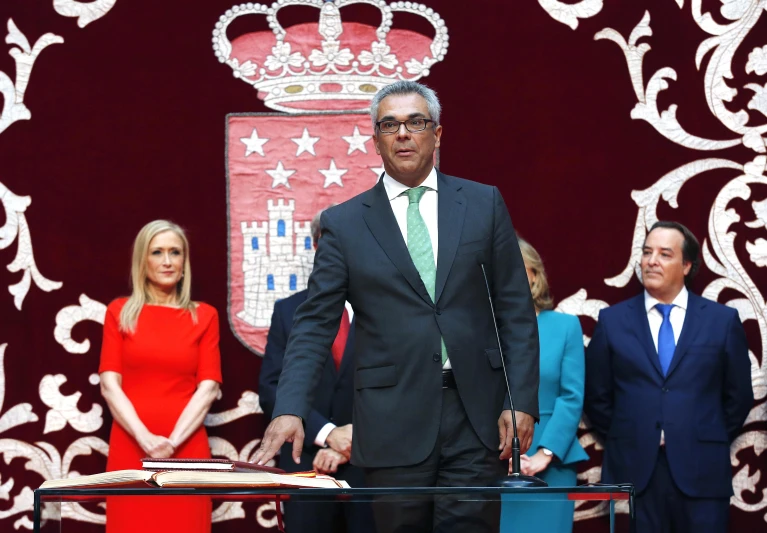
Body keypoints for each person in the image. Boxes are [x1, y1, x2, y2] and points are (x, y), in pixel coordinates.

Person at [253, 80, 540, 533]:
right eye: (390, 124)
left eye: (415, 122)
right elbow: (314, 324)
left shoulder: (483, 203)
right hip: (391, 420)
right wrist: (290, 407)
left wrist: (521, 399)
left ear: (437, 134)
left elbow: (516, 312)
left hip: (476, 415)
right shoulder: (344, 224)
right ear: (376, 139)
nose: (403, 133)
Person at [584, 221, 753, 533]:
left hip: (703, 469)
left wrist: (700, 433)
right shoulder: (612, 321)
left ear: (686, 265)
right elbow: (597, 395)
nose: (651, 261)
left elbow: (739, 395)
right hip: (638, 472)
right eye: (647, 252)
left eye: (664, 254)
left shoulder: (722, 321)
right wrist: (634, 434)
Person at [99, 220, 222, 533]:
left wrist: (171, 443)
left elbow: (208, 388)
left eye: (175, 252)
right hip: (131, 445)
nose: (167, 261)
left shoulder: (204, 315)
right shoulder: (119, 311)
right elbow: (110, 386)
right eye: (157, 252)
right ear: (143, 260)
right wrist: (145, 439)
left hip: (186, 449)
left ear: (184, 261)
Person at [259, 207, 373, 533]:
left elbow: (402, 384)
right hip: (306, 461)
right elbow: (272, 388)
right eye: (330, 242)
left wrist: (354, 439)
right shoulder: (287, 312)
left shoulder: (383, 312)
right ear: (315, 246)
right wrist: (328, 435)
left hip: (372, 466)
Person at [500, 239, 588, 533]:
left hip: (551, 464)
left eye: (516, 267)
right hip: (492, 462)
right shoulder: (481, 328)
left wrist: (544, 453)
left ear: (534, 275)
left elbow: (571, 396)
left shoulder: (565, 327)